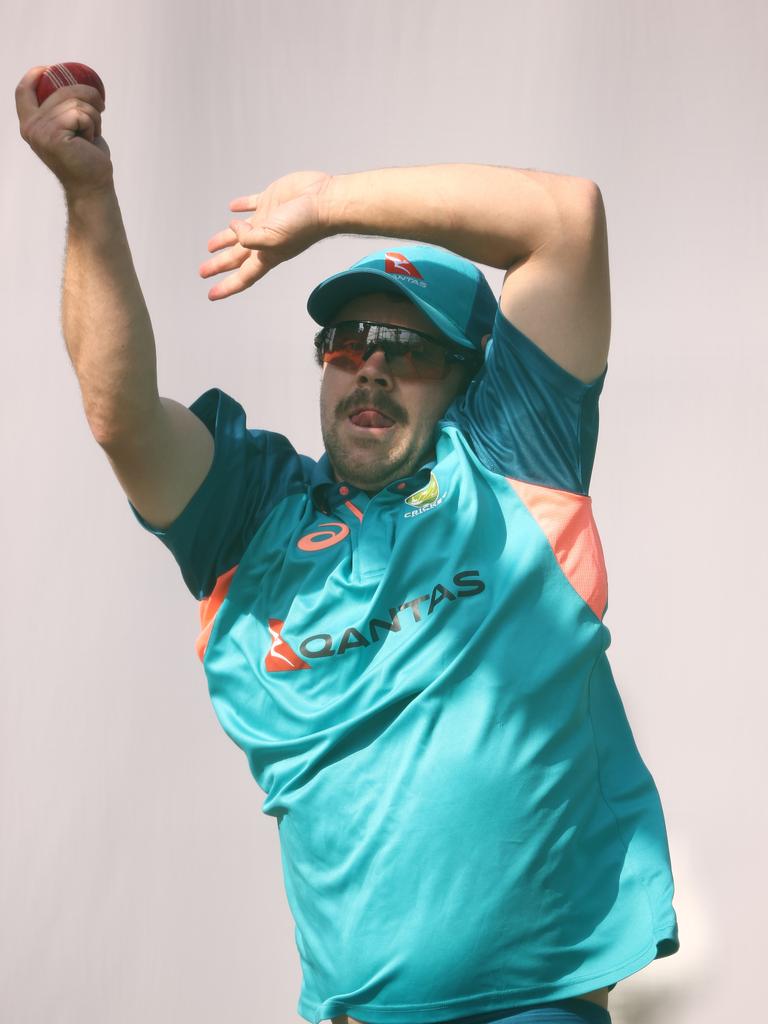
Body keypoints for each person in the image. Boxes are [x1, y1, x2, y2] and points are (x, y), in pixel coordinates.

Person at [16, 65, 679, 1024]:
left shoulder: (513, 458)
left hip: (539, 1007)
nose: (371, 367)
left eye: (408, 352)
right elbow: (121, 417)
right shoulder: (250, 513)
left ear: (466, 380)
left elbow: (565, 220)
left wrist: (327, 206)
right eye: (347, 342)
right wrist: (88, 195)